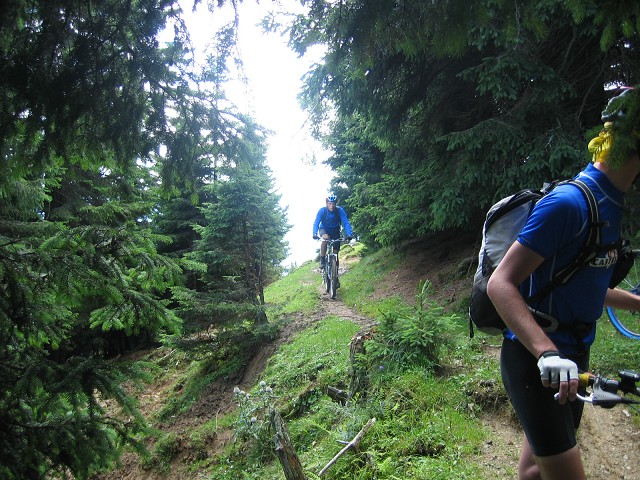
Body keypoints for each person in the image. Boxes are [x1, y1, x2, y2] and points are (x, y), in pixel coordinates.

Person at [487, 87, 640, 480]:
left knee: (534, 472)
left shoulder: (612, 203)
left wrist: (637, 304)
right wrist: (546, 353)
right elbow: (501, 283)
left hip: (574, 360)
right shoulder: (569, 203)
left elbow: (584, 286)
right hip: (537, 361)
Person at [312, 194, 354, 270]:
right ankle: (322, 259)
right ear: (326, 204)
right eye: (330, 203)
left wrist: (349, 234)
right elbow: (316, 222)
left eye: (333, 204)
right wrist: (314, 233)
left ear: (336, 204)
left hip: (335, 231)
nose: (331, 206)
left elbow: (346, 222)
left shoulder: (339, 211)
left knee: (335, 252)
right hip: (324, 229)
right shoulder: (322, 211)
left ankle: (335, 272)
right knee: (325, 239)